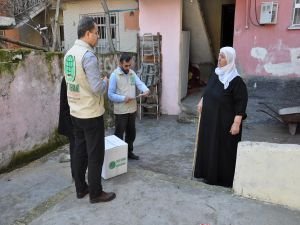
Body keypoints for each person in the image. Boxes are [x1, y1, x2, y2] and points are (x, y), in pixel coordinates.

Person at [64, 17, 115, 203]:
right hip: (91, 113)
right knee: (95, 155)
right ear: (87, 34)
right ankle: (95, 193)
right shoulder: (88, 56)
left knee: (80, 151)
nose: (98, 37)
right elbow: (97, 88)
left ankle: (81, 188)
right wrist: (106, 82)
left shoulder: (69, 53)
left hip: (75, 111)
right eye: (96, 33)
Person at [193, 46, 248, 187]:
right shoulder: (216, 74)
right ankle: (206, 173)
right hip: (210, 120)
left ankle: (222, 179)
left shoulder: (237, 82)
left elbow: (241, 104)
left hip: (225, 123)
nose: (219, 59)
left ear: (229, 60)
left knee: (222, 150)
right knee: (209, 146)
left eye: (222, 57)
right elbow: (208, 90)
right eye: (219, 55)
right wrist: (202, 100)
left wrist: (236, 123)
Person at [108, 53, 150, 160]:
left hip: (132, 109)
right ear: (120, 64)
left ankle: (129, 152)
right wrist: (123, 98)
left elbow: (139, 83)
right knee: (119, 134)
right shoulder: (114, 75)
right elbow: (110, 95)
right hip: (121, 110)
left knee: (131, 133)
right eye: (126, 66)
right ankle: (118, 156)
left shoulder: (132, 73)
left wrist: (145, 90)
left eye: (130, 65)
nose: (128, 68)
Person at [58, 76, 75, 179]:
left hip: (73, 119)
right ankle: (76, 176)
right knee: (75, 149)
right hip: (71, 121)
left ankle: (77, 175)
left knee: (77, 149)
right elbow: (65, 103)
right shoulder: (69, 78)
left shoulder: (70, 77)